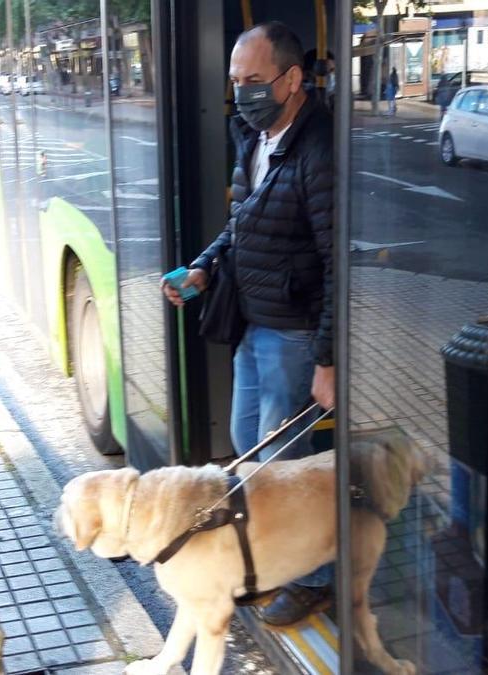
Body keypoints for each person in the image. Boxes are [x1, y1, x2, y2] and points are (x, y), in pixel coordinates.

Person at [161, 21, 335, 627]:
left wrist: (329, 358)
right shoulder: (254, 136)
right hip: (253, 324)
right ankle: (272, 561)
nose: (242, 94)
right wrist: (204, 269)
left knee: (283, 467)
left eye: (254, 81)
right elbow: (241, 224)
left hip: (294, 331)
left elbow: (338, 258)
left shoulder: (319, 148)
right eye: (235, 82)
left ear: (292, 79)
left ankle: (316, 576)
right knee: (247, 445)